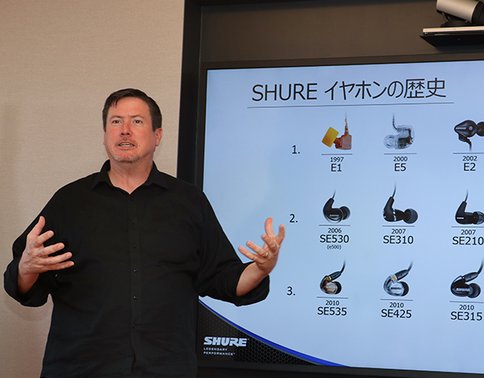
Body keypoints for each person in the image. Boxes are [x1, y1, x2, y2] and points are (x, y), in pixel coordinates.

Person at [4, 88, 285, 377]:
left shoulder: (189, 202)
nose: (125, 130)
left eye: (136, 121)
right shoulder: (69, 201)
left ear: (157, 135)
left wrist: (260, 269)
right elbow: (24, 285)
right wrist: (26, 267)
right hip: (80, 368)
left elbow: (222, 278)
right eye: (116, 121)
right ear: (105, 134)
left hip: (166, 368)